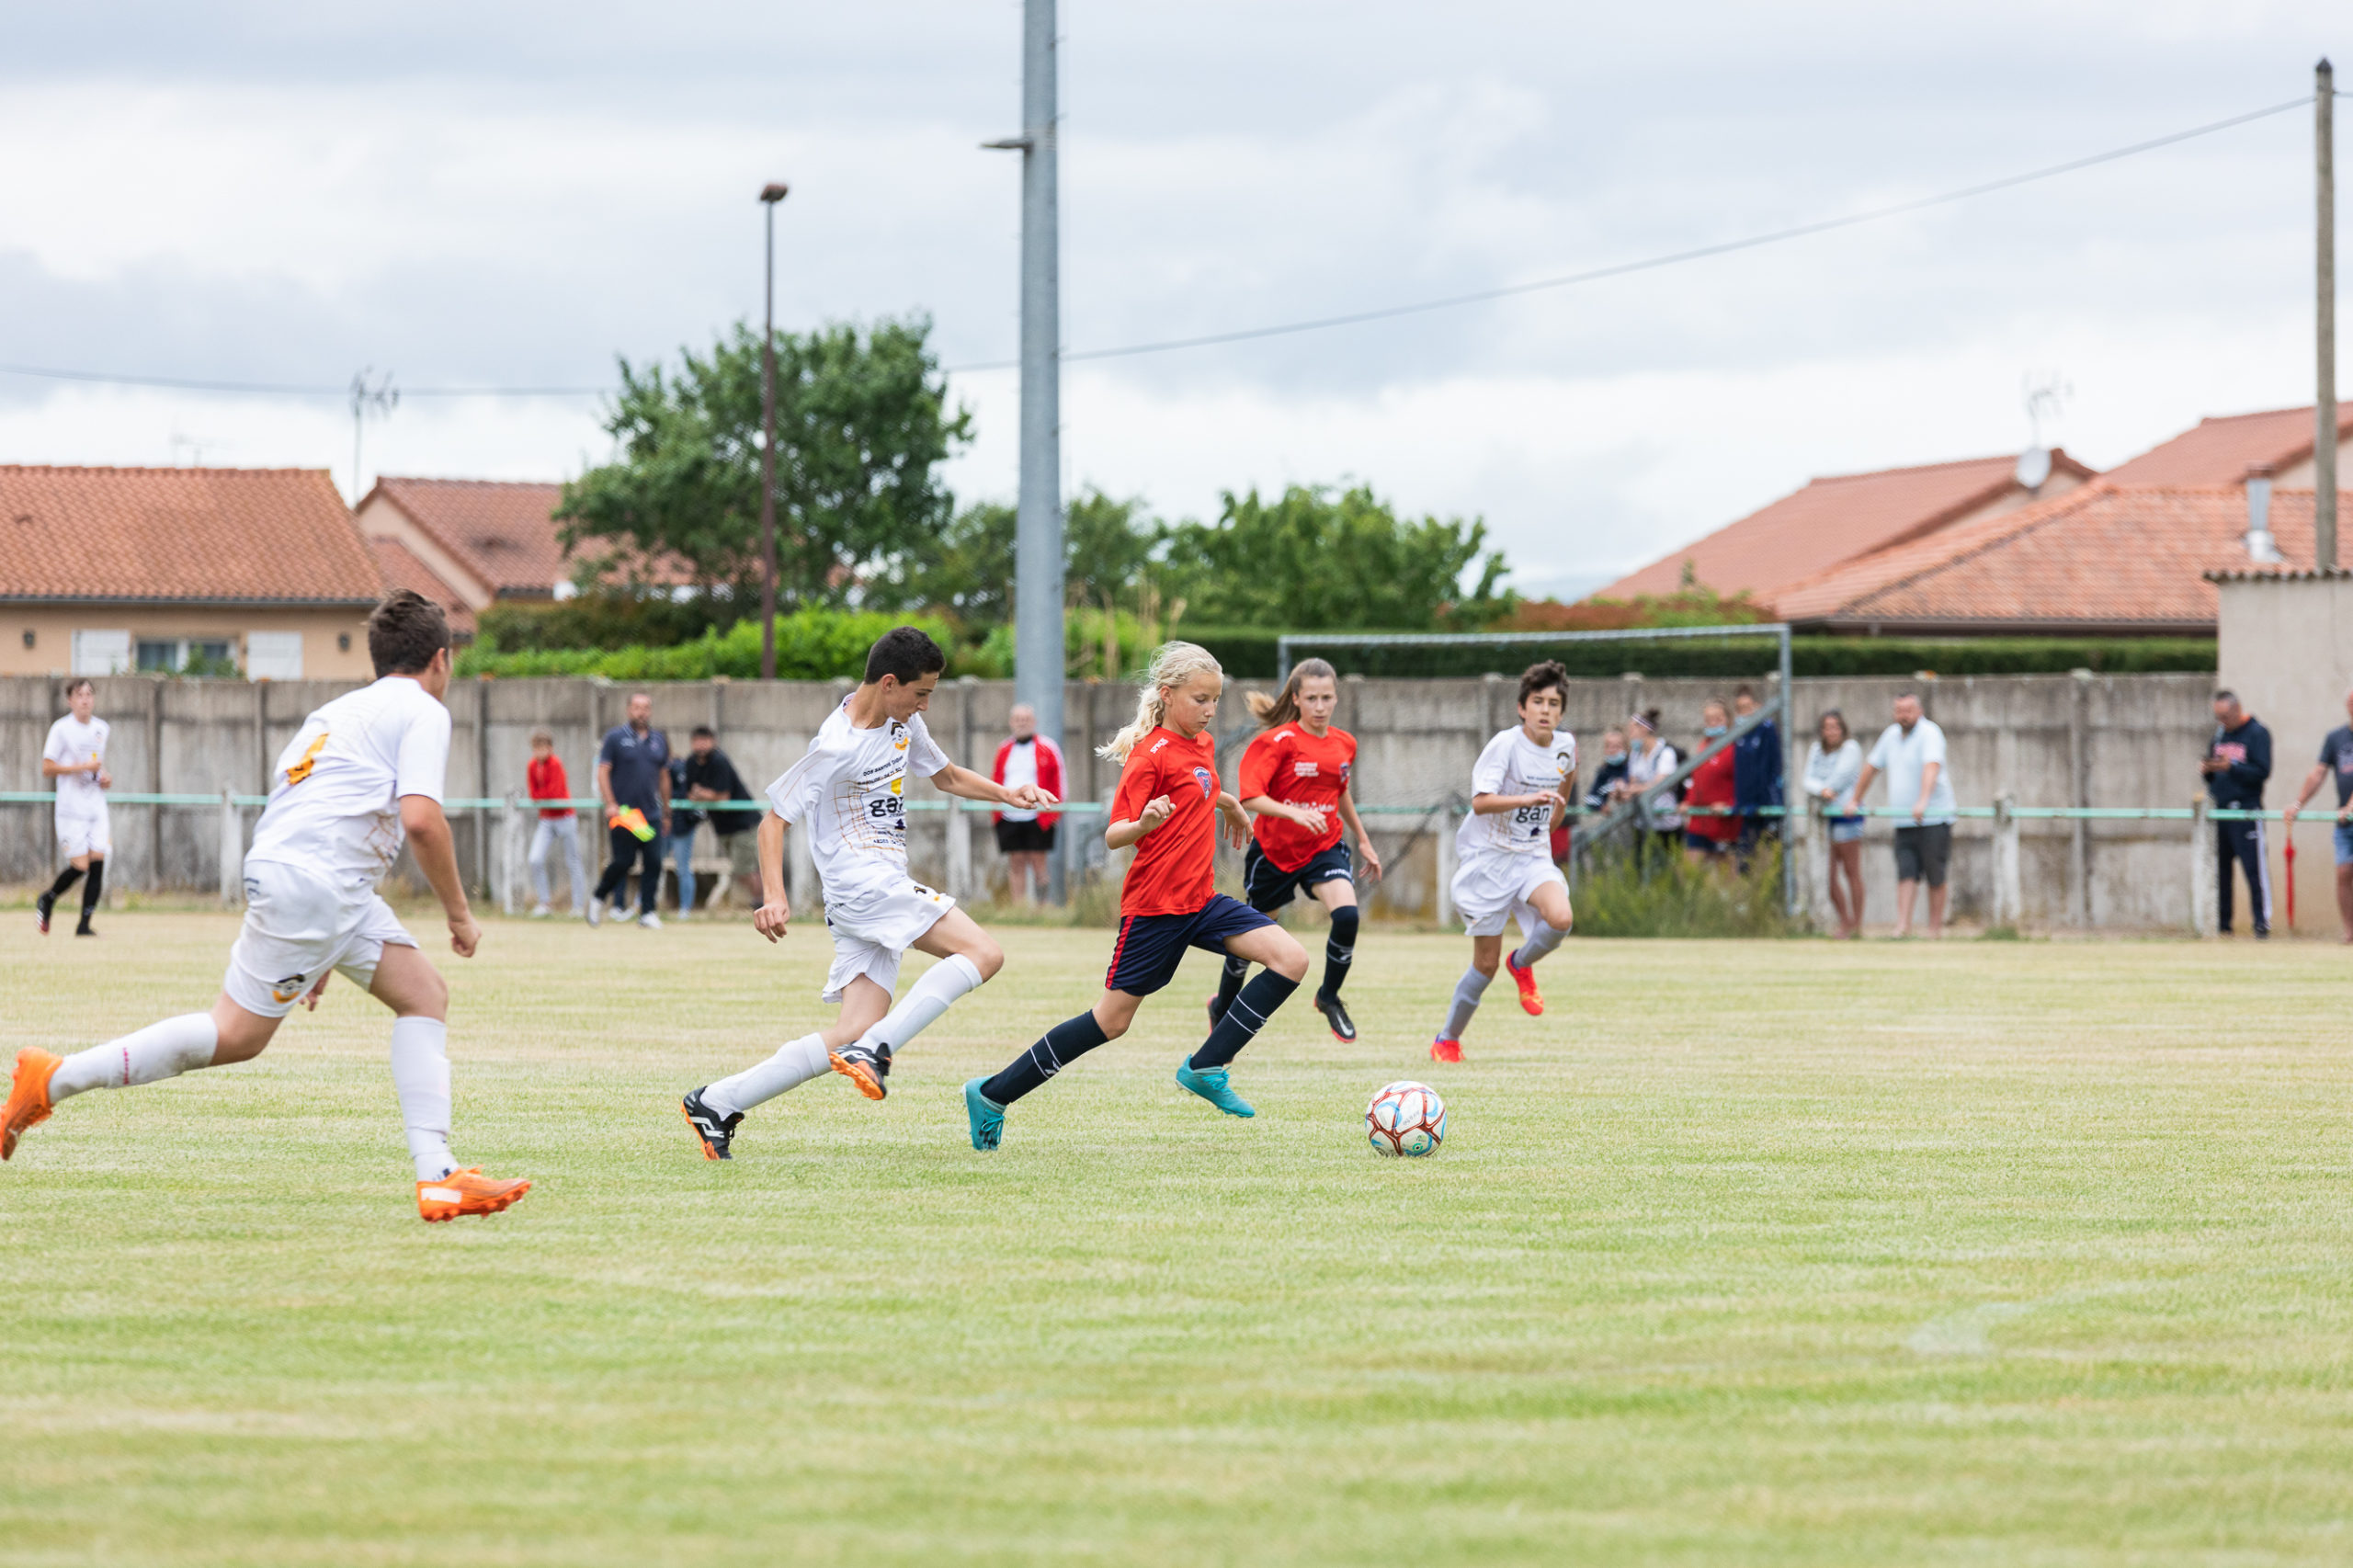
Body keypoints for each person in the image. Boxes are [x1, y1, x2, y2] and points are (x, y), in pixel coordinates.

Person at [4, 590, 530, 1221]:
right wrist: (458, 914)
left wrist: (323, 948)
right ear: (441, 660)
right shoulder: (423, 710)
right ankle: (52, 1079)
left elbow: (317, 813)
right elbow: (421, 821)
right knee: (236, 1035)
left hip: (306, 877)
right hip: (320, 885)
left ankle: (439, 1173)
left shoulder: (337, 712)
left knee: (423, 995)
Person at [680, 627, 1057, 1160]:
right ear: (888, 683)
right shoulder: (836, 746)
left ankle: (716, 1101)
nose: (926, 703)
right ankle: (876, 1049)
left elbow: (946, 776)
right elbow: (773, 823)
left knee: (852, 1027)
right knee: (984, 953)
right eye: (921, 693)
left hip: (863, 898)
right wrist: (774, 896)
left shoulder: (903, 722)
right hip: (867, 888)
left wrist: (1006, 793)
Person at [963, 642, 1307, 1152]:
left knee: (1291, 959)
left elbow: (1201, 790)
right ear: (1167, 696)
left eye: (1215, 700)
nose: (1210, 710)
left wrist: (1230, 805)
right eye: (1200, 699)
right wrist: (1144, 822)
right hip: (1155, 910)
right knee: (1111, 1022)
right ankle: (993, 1094)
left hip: (1202, 902)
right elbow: (1114, 833)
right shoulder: (1149, 757)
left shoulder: (1203, 745)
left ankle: (1207, 1066)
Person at [1211, 657, 1384, 1043]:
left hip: (1324, 847)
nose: (1320, 706)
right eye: (1312, 698)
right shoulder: (1276, 742)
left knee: (1348, 915)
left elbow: (1340, 793)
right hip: (1274, 853)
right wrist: (1294, 813)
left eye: (1327, 698)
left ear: (1336, 698)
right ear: (1297, 698)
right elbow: (1250, 797)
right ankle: (1222, 1006)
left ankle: (1328, 996)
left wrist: (1365, 839)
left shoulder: (1344, 744)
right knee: (1249, 941)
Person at [1429, 661, 1576, 1063]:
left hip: (1531, 857)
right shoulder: (1505, 745)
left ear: (1562, 712)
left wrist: (1551, 811)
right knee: (1485, 965)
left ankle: (1522, 963)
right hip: (1489, 862)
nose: (1545, 710)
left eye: (1553, 703)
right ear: (1521, 708)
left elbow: (1562, 792)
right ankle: (1448, 1039)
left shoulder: (1566, 746)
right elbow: (1480, 803)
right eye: (1537, 702)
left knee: (1561, 918)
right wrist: (1526, 800)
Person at [1852, 692, 1956, 937]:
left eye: (1908, 710)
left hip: (1933, 818)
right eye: (1899, 710)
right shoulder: (1890, 736)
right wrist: (1855, 798)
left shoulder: (1930, 733)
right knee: (1906, 873)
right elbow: (1871, 766)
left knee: (1935, 875)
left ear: (1918, 711)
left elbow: (1932, 767)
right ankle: (1903, 926)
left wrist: (1922, 801)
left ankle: (1934, 929)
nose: (1903, 715)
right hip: (1903, 820)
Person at [37, 677, 111, 937]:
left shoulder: (101, 728)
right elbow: (48, 768)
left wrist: (104, 778)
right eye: (80, 694)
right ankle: (48, 898)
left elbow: (97, 767)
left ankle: (84, 925)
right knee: (80, 865)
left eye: (90, 694)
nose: (86, 699)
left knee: (98, 861)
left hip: (96, 806)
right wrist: (81, 768)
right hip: (71, 808)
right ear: (70, 700)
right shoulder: (61, 729)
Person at [589, 692, 671, 929]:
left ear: (651, 711)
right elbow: (603, 771)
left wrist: (667, 809)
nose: (641, 712)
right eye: (636, 707)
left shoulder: (658, 740)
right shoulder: (615, 738)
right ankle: (598, 897)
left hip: (650, 814)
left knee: (654, 861)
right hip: (624, 813)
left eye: (645, 707)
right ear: (628, 710)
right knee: (623, 861)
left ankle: (647, 911)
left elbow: (664, 776)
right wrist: (610, 803)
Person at [2282, 685, 2353, 943]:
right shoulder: (2336, 738)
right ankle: (2349, 931)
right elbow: (2318, 774)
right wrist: (2297, 804)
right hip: (2345, 822)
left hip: (2348, 813)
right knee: (2344, 872)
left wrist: (2351, 806)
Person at [2200, 688, 2273, 938]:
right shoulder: (2219, 735)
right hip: (2221, 813)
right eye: (2217, 716)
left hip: (2246, 812)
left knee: (2254, 870)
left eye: (2225, 716)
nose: (2222, 722)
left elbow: (2262, 772)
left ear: (2237, 709)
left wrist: (2233, 767)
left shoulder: (2257, 733)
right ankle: (2223, 925)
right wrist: (2208, 769)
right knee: (2221, 872)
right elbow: (2212, 778)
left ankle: (2261, 924)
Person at [991, 704, 1064, 905]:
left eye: (1026, 719)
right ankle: (1019, 908)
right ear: (1011, 722)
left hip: (1038, 815)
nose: (1022, 723)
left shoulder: (1047, 747)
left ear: (1034, 722)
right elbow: (996, 780)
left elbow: (1059, 780)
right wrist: (996, 810)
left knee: (1039, 862)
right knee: (1015, 863)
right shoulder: (1004, 749)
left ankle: (1042, 907)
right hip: (1009, 815)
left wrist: (1054, 812)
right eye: (1018, 719)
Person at [1802, 709, 1865, 937]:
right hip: (1822, 817)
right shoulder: (1816, 750)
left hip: (1846, 815)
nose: (1831, 732)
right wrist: (1822, 790)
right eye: (1826, 727)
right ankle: (1845, 922)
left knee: (1851, 871)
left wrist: (1827, 788)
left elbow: (1842, 777)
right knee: (1827, 875)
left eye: (1835, 727)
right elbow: (1807, 779)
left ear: (1842, 728)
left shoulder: (1851, 749)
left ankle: (1856, 924)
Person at [680, 725, 758, 910]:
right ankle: (760, 902)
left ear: (713, 742)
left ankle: (763, 902)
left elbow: (723, 796)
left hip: (743, 823)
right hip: (722, 826)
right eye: (697, 741)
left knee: (746, 869)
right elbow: (690, 793)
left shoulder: (719, 761)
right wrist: (702, 794)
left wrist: (702, 793)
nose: (701, 745)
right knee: (740, 870)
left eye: (705, 741)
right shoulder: (691, 762)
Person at [525, 728, 586, 919]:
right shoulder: (532, 766)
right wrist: (542, 798)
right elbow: (534, 794)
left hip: (565, 817)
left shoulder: (556, 764)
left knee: (573, 860)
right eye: (537, 749)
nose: (540, 753)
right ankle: (545, 902)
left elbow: (555, 792)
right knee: (535, 859)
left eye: (544, 748)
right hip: (546, 819)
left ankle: (578, 906)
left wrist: (542, 797)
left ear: (550, 748)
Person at [1617, 710, 1681, 869]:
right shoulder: (1635, 755)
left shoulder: (1666, 752)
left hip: (1666, 825)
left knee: (1670, 874)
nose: (1629, 735)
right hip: (1643, 823)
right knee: (1641, 869)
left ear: (1644, 729)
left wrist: (1632, 789)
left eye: (1632, 730)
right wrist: (1621, 792)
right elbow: (1633, 784)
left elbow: (1659, 785)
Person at [1731, 683, 1784, 871]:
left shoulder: (1766, 730)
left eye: (1747, 707)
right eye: (1740, 709)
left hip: (1764, 806)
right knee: (1745, 862)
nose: (1744, 713)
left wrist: (1769, 802)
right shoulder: (1740, 734)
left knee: (1768, 861)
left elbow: (1772, 768)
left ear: (1756, 706)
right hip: (1746, 808)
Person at [1682, 699, 1739, 864]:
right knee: (1691, 873)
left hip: (1722, 821)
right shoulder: (1703, 746)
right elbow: (1696, 779)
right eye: (1709, 720)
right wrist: (1688, 801)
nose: (1713, 723)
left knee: (1725, 878)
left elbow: (1742, 783)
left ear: (1727, 720)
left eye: (1718, 719)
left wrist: (1729, 804)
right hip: (1700, 820)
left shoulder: (1733, 748)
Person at [1568, 725, 1629, 861]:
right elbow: (1590, 798)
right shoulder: (1604, 772)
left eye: (1617, 746)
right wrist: (1602, 805)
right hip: (1616, 827)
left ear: (1625, 747)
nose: (1613, 750)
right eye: (1609, 746)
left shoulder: (1630, 767)